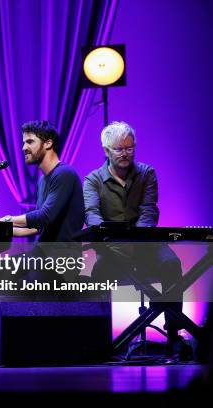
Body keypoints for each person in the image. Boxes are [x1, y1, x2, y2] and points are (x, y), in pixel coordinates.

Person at [0, 120, 85, 363]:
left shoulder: (65, 174)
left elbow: (44, 217)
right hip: (42, 256)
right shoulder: (45, 180)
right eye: (23, 142)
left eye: (30, 141)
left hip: (61, 261)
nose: (23, 147)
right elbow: (35, 226)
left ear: (48, 143)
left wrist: (10, 219)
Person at [83, 121, 187, 357]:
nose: (125, 154)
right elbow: (91, 214)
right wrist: (112, 241)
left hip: (146, 244)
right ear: (106, 151)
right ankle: (101, 343)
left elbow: (149, 210)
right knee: (98, 275)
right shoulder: (92, 180)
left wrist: (138, 241)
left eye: (130, 148)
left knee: (171, 263)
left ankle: (174, 335)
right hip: (113, 248)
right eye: (119, 149)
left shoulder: (147, 173)